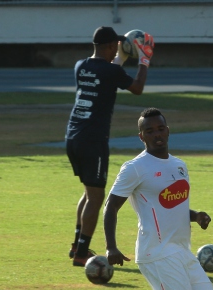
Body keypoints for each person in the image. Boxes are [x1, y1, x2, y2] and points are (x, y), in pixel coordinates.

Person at [103, 108, 213, 290]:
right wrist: (111, 247)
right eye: (150, 131)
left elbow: (172, 203)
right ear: (141, 136)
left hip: (181, 249)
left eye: (160, 128)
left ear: (168, 130)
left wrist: (196, 216)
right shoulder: (134, 168)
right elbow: (111, 207)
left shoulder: (179, 165)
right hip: (156, 252)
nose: (157, 134)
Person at [67, 26, 154, 267]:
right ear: (109, 46)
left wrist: (121, 57)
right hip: (93, 139)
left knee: (88, 193)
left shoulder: (81, 66)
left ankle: (77, 245)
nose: (118, 47)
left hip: (73, 136)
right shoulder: (111, 71)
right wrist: (144, 60)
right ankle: (82, 253)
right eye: (116, 45)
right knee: (96, 196)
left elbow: (107, 70)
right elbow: (137, 88)